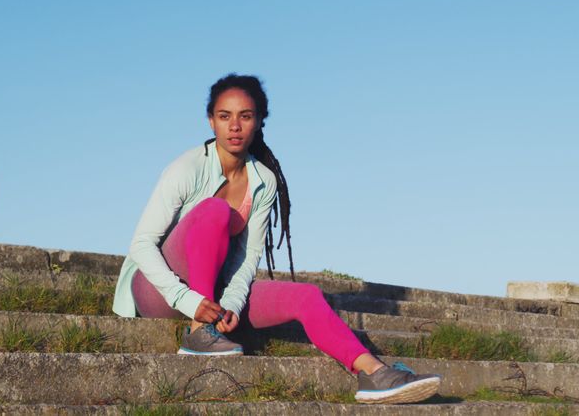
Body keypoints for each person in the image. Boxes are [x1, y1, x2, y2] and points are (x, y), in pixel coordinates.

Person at [112, 73, 442, 405]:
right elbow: (141, 244)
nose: (235, 126)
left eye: (245, 116)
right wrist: (189, 301)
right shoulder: (186, 168)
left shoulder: (263, 181)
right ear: (211, 121)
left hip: (216, 291)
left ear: (258, 121)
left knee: (308, 296)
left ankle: (374, 374)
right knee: (214, 211)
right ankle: (199, 332)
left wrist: (232, 305)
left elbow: (246, 259)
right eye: (225, 116)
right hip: (158, 290)